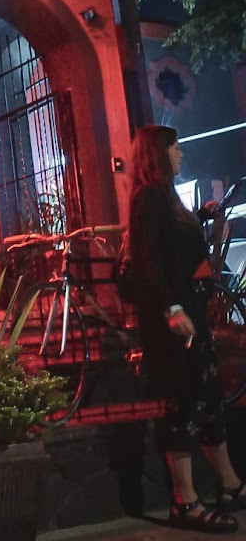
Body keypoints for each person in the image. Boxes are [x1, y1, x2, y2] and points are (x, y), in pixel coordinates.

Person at [127, 125, 244, 533]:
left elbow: (174, 242)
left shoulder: (165, 197)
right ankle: (186, 501)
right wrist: (172, 309)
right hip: (176, 323)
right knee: (186, 400)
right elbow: (149, 260)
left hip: (191, 314)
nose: (181, 153)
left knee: (208, 397)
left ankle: (229, 484)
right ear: (159, 154)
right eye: (175, 147)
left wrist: (202, 215)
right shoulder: (148, 199)